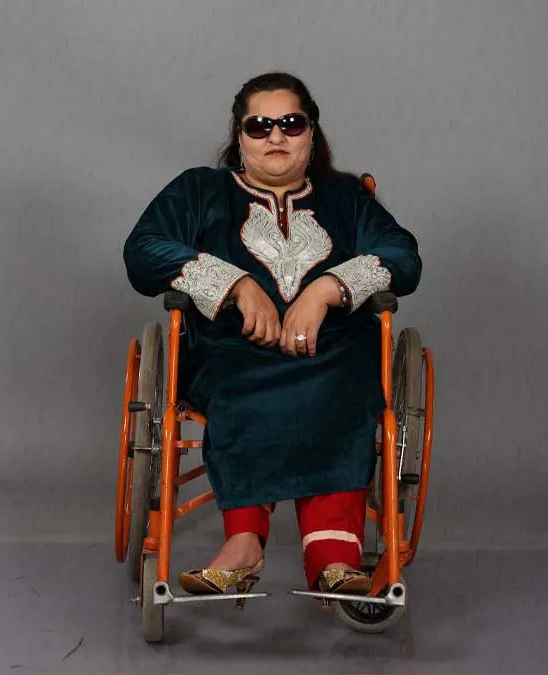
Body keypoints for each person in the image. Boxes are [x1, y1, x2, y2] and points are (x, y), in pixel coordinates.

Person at [122, 71, 421, 597]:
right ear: (239, 137)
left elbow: (403, 256)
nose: (275, 136)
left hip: (331, 351)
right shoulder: (201, 190)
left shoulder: (346, 198)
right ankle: (242, 544)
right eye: (259, 126)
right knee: (240, 382)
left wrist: (326, 289)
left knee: (346, 383)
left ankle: (333, 556)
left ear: (311, 133)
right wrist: (234, 284)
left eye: (290, 123)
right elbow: (143, 250)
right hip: (231, 351)